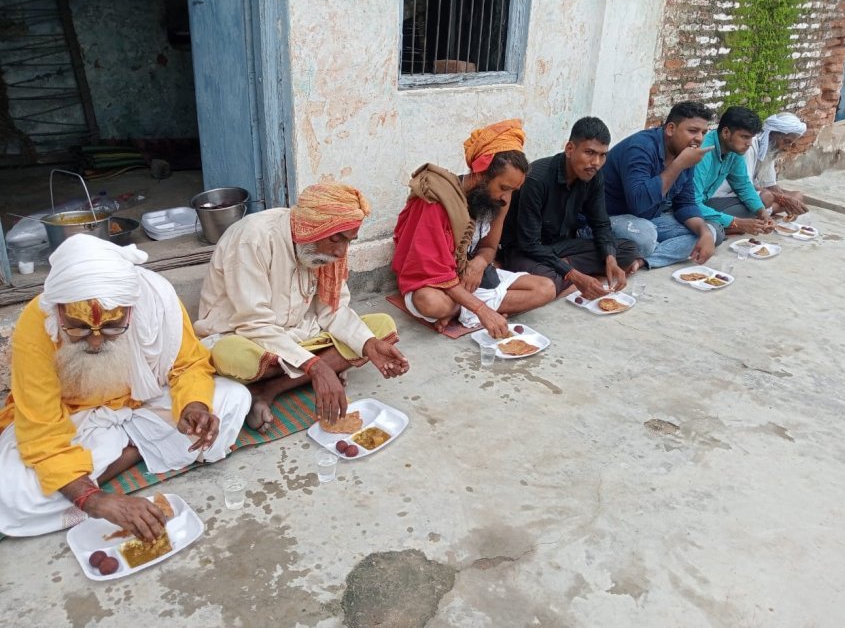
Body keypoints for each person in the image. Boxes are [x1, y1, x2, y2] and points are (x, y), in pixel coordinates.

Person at [0, 235, 250, 538]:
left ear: (130, 311)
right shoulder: (37, 324)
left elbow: (189, 364)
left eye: (111, 328)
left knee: (234, 397)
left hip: (145, 401)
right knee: (13, 495)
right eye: (78, 329)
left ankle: (129, 448)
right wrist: (92, 500)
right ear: (59, 311)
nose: (94, 341)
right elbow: (41, 428)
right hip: (76, 420)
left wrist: (193, 405)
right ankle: (138, 450)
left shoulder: (156, 301)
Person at [195, 184, 409, 432]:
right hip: (246, 336)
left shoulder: (329, 252)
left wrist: (369, 344)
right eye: (336, 239)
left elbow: (333, 310)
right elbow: (253, 323)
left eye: (348, 241)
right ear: (312, 227)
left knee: (380, 329)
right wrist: (316, 366)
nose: (341, 252)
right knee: (233, 356)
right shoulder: (253, 238)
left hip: (301, 335)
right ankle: (316, 372)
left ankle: (267, 390)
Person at [391, 119, 556, 339]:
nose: (506, 198)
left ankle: (457, 313)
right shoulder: (436, 200)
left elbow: (489, 247)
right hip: (433, 282)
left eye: (513, 191)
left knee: (546, 288)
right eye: (504, 188)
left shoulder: (499, 201)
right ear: (480, 173)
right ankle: (468, 311)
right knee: (430, 303)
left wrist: (478, 264)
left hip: (469, 279)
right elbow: (431, 271)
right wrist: (482, 310)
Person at [500, 117, 641, 299]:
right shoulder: (537, 178)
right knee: (547, 282)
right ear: (570, 149)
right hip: (526, 251)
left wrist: (610, 258)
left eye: (602, 155)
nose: (596, 162)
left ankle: (563, 272)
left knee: (628, 249)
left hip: (562, 247)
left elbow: (600, 223)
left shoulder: (593, 176)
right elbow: (529, 244)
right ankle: (566, 275)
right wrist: (572, 273)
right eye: (589, 152)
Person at [604, 101, 722, 269]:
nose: (699, 139)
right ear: (670, 129)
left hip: (649, 219)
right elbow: (638, 203)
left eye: (703, 132)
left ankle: (644, 260)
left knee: (711, 231)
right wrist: (679, 164)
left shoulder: (686, 152)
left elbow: (685, 203)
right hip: (610, 218)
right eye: (692, 131)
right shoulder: (640, 148)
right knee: (646, 237)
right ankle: (656, 248)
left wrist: (704, 233)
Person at [693, 106, 776, 235]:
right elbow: (691, 203)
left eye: (751, 138)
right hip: (688, 206)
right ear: (726, 132)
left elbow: (743, 186)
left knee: (757, 206)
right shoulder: (704, 152)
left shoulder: (734, 152)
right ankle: (718, 228)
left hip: (706, 203)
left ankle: (719, 226)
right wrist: (736, 222)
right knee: (716, 234)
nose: (749, 143)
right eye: (744, 137)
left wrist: (762, 213)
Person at [712, 111, 809, 218]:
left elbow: (770, 185)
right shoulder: (747, 146)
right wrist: (783, 199)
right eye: (786, 141)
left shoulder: (769, 150)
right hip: (724, 196)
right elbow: (746, 187)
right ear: (771, 133)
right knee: (767, 197)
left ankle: (768, 210)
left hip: (743, 195)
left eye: (791, 143)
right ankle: (768, 211)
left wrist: (789, 200)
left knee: (797, 195)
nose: (787, 147)